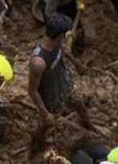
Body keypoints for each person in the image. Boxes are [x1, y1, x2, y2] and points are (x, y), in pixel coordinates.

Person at [28, 14, 99, 142]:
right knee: (46, 125)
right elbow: (32, 91)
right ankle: (36, 145)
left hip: (65, 83)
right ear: (60, 35)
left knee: (79, 102)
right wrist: (45, 113)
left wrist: (78, 64)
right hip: (51, 98)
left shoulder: (57, 42)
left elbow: (64, 51)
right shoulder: (38, 62)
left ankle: (89, 124)